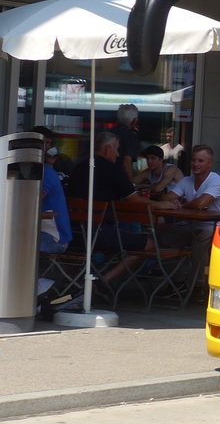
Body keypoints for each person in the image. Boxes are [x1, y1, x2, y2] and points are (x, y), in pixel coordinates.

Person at [63, 130, 156, 287]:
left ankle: (88, 280)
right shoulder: (112, 170)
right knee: (149, 244)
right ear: (107, 149)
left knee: (120, 235)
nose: (118, 154)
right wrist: (163, 205)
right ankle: (105, 281)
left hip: (73, 235)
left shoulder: (78, 168)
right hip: (98, 235)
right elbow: (134, 200)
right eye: (117, 149)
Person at [157, 144, 220, 283]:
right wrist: (174, 202)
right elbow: (165, 198)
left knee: (200, 241)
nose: (195, 164)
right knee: (161, 237)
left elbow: (201, 203)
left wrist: (180, 204)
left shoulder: (216, 180)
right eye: (193, 160)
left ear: (209, 164)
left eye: (200, 161)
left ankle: (198, 285)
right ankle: (173, 282)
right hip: (189, 226)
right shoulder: (187, 180)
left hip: (212, 228)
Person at [33, 126, 72, 255]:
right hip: (40, 231)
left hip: (54, 238)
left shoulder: (47, 173)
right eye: (45, 143)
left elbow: (34, 201)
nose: (48, 148)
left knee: (16, 243)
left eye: (49, 143)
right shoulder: (42, 170)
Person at [113, 103, 141, 181]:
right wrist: (130, 183)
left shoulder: (109, 133)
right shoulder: (130, 137)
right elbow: (127, 162)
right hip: (120, 179)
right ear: (134, 120)